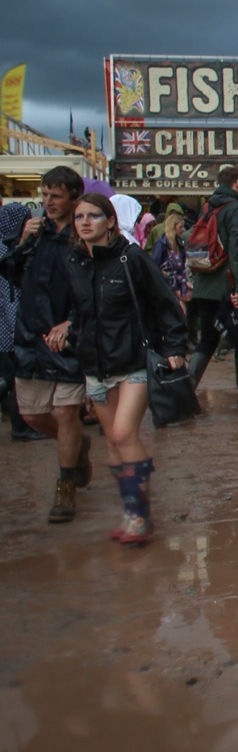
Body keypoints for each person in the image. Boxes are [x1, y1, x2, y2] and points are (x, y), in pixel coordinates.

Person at [56, 194, 189, 543]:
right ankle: (133, 510)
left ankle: (140, 517)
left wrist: (175, 347)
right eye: (79, 216)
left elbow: (165, 301)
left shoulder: (131, 258)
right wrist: (68, 330)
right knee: (113, 444)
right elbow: (78, 311)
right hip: (95, 364)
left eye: (94, 216)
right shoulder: (74, 262)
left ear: (111, 222)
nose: (85, 222)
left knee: (122, 434)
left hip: (134, 360)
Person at [8, 166, 93, 522]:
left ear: (73, 196)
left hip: (69, 339)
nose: (48, 203)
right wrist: (22, 243)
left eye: (55, 196)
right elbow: (11, 272)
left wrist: (73, 322)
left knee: (65, 411)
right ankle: (76, 448)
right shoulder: (36, 233)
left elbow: (93, 286)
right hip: (30, 336)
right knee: (33, 415)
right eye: (44, 196)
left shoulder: (82, 234)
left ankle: (66, 488)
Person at [186, 167, 238, 410]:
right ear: (236, 183)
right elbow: (237, 251)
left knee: (208, 340)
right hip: (230, 286)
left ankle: (185, 391)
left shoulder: (208, 207)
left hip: (204, 284)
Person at [0, 203, 45, 441]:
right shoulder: (7, 250)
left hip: (9, 324)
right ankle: (21, 426)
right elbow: (10, 294)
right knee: (15, 377)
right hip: (9, 325)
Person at [150, 211, 190, 311]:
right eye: (180, 227)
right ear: (173, 226)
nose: (183, 230)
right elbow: (154, 266)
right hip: (166, 286)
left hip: (178, 286)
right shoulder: (161, 244)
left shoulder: (179, 242)